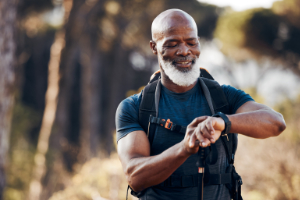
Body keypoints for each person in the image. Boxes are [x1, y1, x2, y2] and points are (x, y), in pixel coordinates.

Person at [115, 9, 286, 200]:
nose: (184, 51)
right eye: (172, 44)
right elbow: (135, 176)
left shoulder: (224, 97)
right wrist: (184, 148)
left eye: (191, 42)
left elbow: (276, 123)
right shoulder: (134, 107)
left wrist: (222, 123)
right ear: (154, 47)